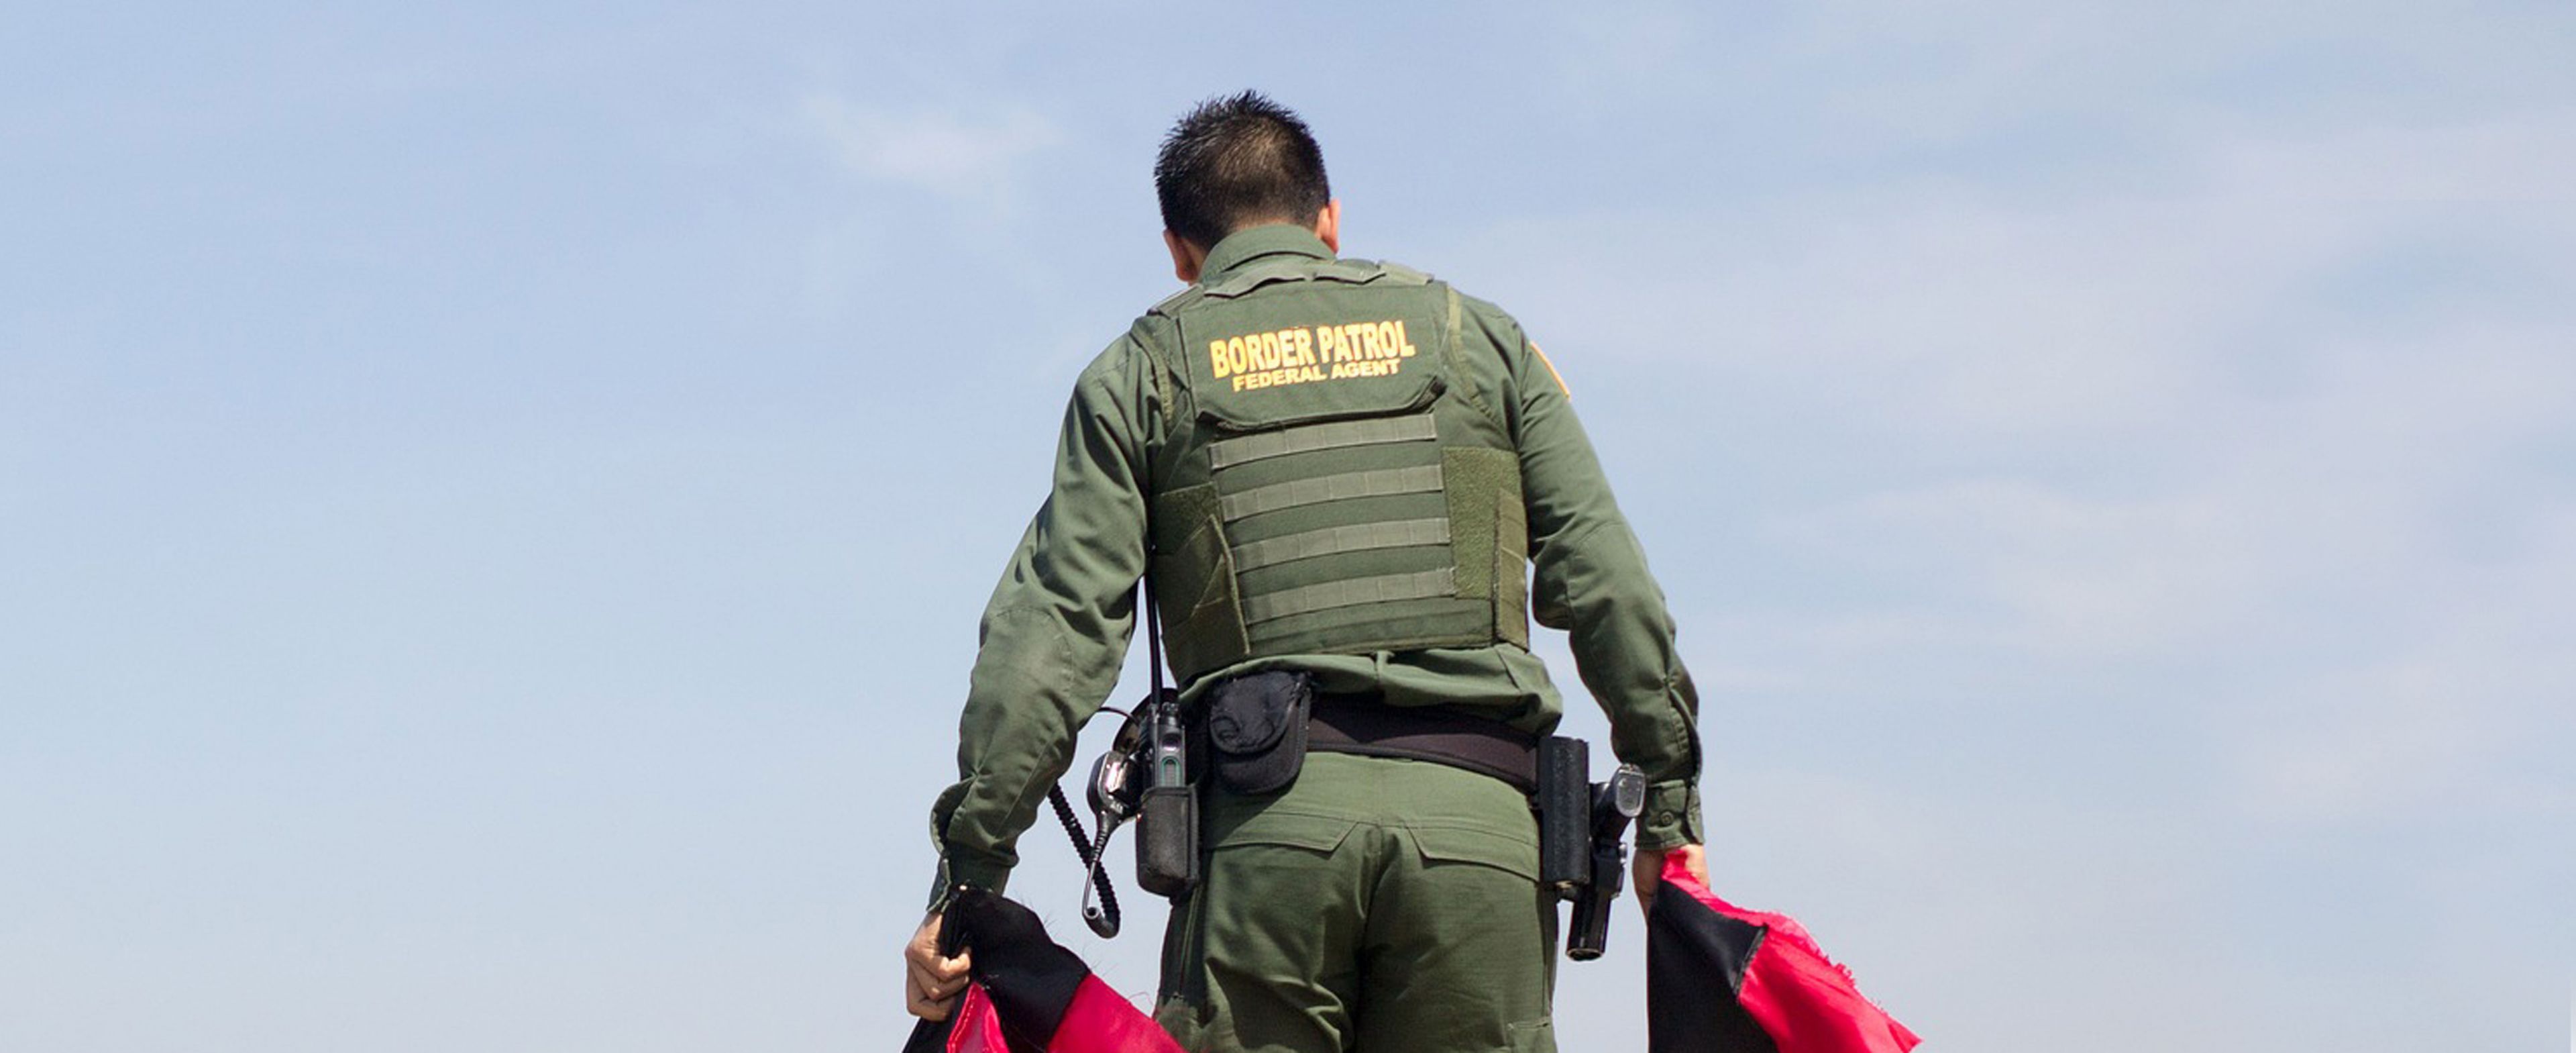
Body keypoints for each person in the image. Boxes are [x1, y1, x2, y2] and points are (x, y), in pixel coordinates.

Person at [903, 91, 1707, 1052]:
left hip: (1267, 833)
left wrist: (969, 878)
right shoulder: (1481, 342)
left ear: (1180, 253)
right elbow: (1608, 582)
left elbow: (1051, 641)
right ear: (1329, 220)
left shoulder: (1144, 371)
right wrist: (1669, 812)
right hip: (1482, 833)